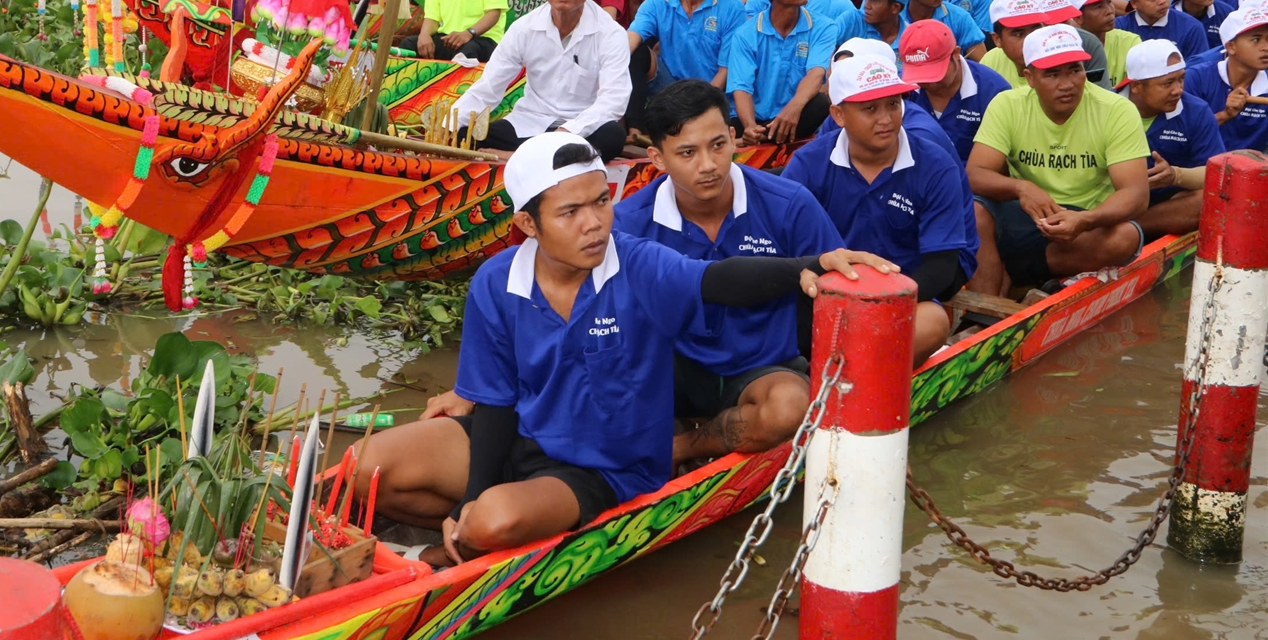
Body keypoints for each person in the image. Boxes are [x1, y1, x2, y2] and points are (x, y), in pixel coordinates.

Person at [355, 131, 895, 565]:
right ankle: (478, 521)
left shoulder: (636, 263)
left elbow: (721, 281)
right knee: (366, 466)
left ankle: (450, 550)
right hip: (525, 434)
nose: (594, 224)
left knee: (492, 522)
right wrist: (476, 491)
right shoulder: (497, 282)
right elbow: (495, 401)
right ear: (527, 225)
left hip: (604, 465)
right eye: (570, 213)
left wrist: (811, 264)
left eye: (601, 201)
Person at [615, 79, 887, 464]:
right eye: (687, 153)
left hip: (761, 367)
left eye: (718, 146)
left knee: (789, 408)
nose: (707, 165)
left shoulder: (788, 203)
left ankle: (684, 446)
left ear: (732, 137)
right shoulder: (627, 221)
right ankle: (679, 426)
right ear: (657, 159)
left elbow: (841, 295)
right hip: (671, 371)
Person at [783, 52, 978, 364]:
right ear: (838, 115)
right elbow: (786, 251)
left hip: (906, 291)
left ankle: (846, 370)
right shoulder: (808, 164)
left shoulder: (935, 164)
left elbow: (941, 266)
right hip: (828, 291)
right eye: (870, 108)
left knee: (932, 322)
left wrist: (874, 304)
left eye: (893, 103)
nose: (886, 119)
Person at [967, 25, 1149, 295]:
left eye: (1075, 70)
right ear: (1029, 77)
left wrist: (1086, 220)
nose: (1067, 84)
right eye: (1052, 74)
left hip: (1088, 219)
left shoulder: (1117, 110)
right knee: (974, 211)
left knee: (1126, 238)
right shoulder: (1007, 104)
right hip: (1028, 215)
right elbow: (975, 172)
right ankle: (985, 309)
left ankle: (1015, 274)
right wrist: (1022, 188)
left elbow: (1136, 194)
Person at [447, 0, 630, 161]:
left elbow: (614, 99)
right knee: (465, 134)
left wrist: (565, 133)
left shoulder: (610, 33)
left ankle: (517, 158)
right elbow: (489, 86)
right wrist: (448, 126)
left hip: (576, 130)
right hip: (529, 124)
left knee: (612, 136)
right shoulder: (524, 28)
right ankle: (539, 157)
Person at [728, 0, 836, 143]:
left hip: (796, 114)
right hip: (758, 118)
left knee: (820, 104)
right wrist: (750, 126)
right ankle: (757, 137)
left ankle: (759, 141)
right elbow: (742, 87)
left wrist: (793, 109)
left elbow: (816, 73)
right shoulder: (745, 34)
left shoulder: (824, 27)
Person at [1120, 40, 1223, 240]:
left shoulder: (1196, 111)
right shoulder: (1106, 110)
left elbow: (1216, 174)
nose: (1178, 90)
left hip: (1165, 207)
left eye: (1181, 79)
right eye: (1167, 83)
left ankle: (1128, 228)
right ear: (1137, 86)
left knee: (1207, 199)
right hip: (1111, 200)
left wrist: (1175, 175)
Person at [900, 19, 1010, 162]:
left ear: (956, 54)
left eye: (935, 72)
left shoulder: (993, 92)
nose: (928, 83)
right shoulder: (900, 91)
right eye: (919, 74)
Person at [1184, 1, 1268, 151]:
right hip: (1199, 168)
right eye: (1256, 40)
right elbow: (1183, 137)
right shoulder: (1196, 78)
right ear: (1230, 47)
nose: (1266, 47)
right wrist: (1225, 115)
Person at [1115, 0, 1209, 58]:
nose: (1162, 1)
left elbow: (1197, 69)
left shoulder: (1191, 27)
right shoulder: (1118, 28)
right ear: (1134, 3)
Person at [1069, 0, 1142, 86]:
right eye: (1098, 6)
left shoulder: (1130, 41)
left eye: (1109, 2)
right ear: (1078, 17)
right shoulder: (1067, 49)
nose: (1110, 11)